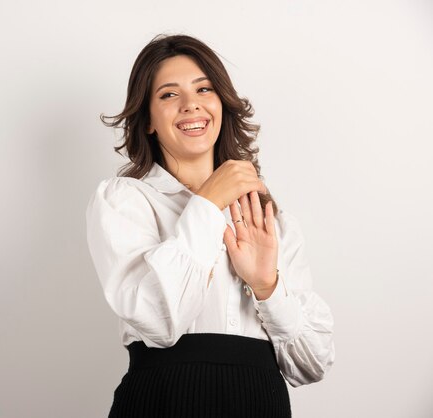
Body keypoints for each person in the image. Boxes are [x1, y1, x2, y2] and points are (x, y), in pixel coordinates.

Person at [85, 33, 335, 418]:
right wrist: (206, 203)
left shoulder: (270, 221)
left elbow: (311, 365)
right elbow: (157, 322)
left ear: (222, 103)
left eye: (204, 89)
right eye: (169, 95)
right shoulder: (125, 200)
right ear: (148, 120)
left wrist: (267, 287)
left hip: (260, 403)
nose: (191, 105)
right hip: (162, 401)